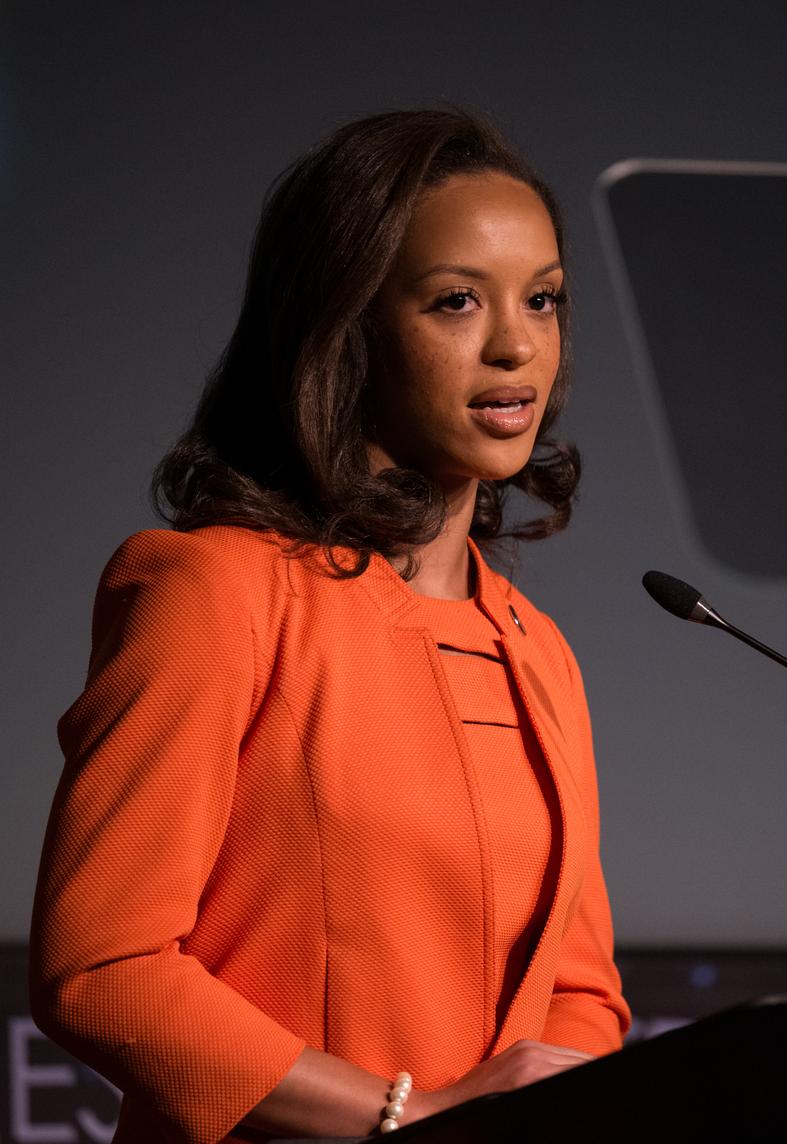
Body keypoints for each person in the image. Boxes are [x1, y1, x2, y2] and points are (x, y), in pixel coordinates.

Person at [29, 109, 630, 1144]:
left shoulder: (538, 653)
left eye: (543, 300)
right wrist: (405, 1117)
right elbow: (103, 969)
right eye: (455, 301)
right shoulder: (214, 591)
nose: (515, 342)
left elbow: (579, 994)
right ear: (345, 326)